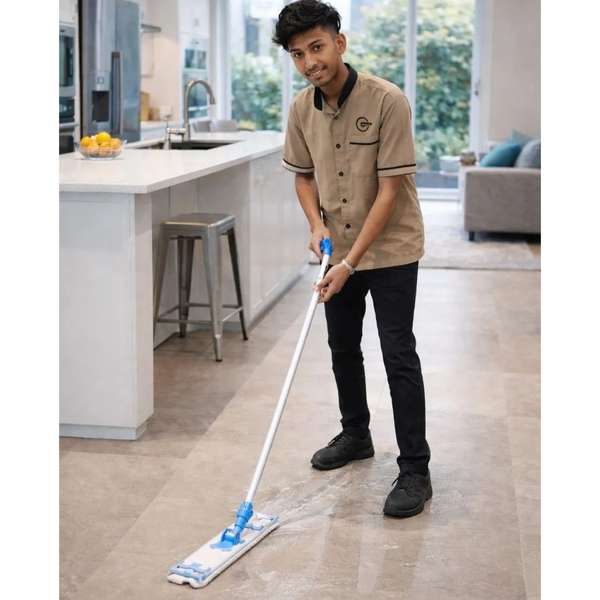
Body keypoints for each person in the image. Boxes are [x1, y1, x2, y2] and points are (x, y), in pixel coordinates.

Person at [272, 0, 432, 518]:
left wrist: (350, 264)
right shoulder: (301, 109)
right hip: (335, 246)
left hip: (390, 247)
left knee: (397, 353)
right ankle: (356, 434)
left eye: (316, 47)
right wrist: (315, 226)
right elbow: (303, 175)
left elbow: (390, 191)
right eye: (298, 54)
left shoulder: (387, 101)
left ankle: (415, 469)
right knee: (342, 346)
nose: (309, 62)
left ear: (339, 43)